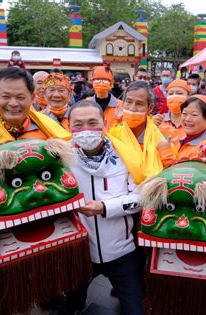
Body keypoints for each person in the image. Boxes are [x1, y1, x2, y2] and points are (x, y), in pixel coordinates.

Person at [64, 100, 145, 315]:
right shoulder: (62, 159)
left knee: (135, 310)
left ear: (105, 124)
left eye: (92, 123)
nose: (86, 130)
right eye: (78, 125)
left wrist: (105, 207)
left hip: (123, 252)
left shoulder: (126, 156)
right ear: (68, 127)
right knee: (70, 306)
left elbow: (142, 198)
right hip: (80, 253)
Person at [0, 67, 71, 160]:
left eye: (20, 97)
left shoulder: (49, 130)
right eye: (5, 97)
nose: (13, 104)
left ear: (32, 97)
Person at [107, 81, 173, 184]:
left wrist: (166, 154)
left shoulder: (161, 141)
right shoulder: (113, 137)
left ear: (150, 108)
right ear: (122, 103)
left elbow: (172, 174)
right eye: (129, 102)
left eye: (139, 104)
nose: (132, 108)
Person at [177, 94, 206, 159]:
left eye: (194, 115)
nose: (187, 119)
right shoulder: (179, 137)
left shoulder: (205, 149)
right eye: (184, 113)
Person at [153, 79, 190, 147]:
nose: (174, 97)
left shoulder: (192, 123)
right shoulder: (158, 121)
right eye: (170, 94)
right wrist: (150, 126)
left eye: (179, 93)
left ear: (188, 97)